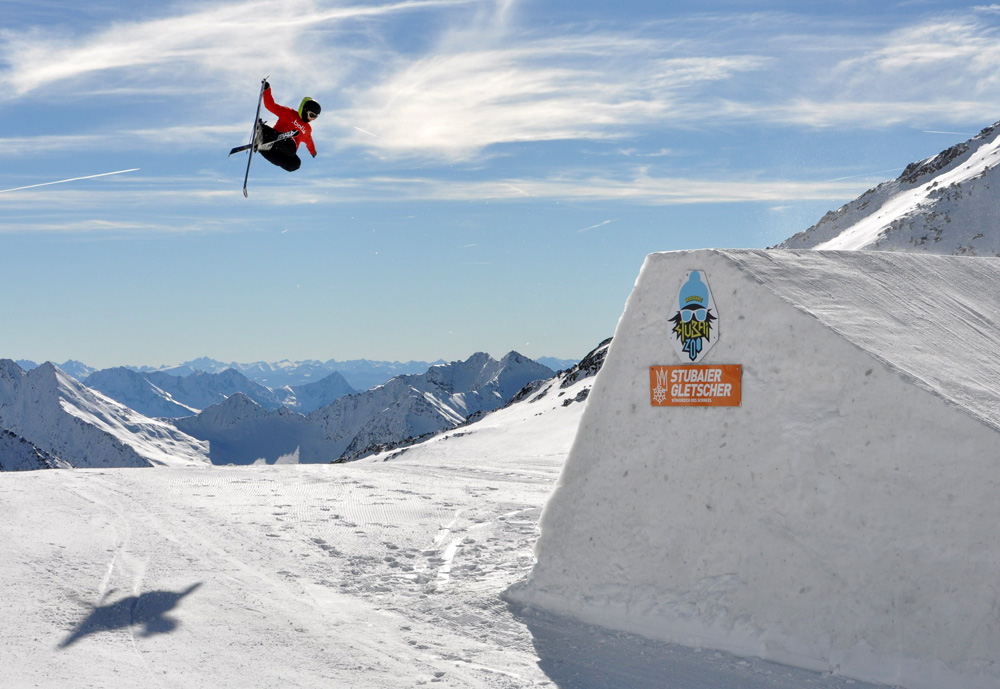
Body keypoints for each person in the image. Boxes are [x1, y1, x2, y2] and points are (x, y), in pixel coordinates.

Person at [256, 81, 321, 172]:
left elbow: (309, 142)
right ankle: (263, 130)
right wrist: (267, 90)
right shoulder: (288, 113)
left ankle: (261, 147)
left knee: (295, 164)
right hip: (275, 138)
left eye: (315, 117)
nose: (312, 119)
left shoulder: (307, 129)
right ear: (305, 110)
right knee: (291, 147)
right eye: (312, 115)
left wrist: (313, 151)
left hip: (282, 151)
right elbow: (270, 106)